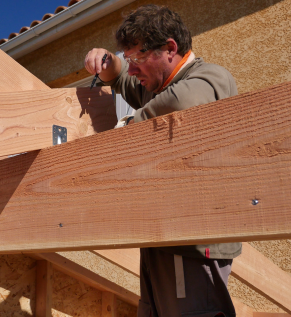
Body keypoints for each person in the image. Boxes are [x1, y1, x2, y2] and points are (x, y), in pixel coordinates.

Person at [84, 5, 242, 317]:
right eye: (130, 60)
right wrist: (107, 60)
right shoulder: (153, 86)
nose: (133, 69)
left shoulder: (208, 77)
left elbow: (179, 104)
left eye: (138, 59)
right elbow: (119, 77)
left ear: (170, 49)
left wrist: (122, 131)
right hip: (163, 237)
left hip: (193, 243)